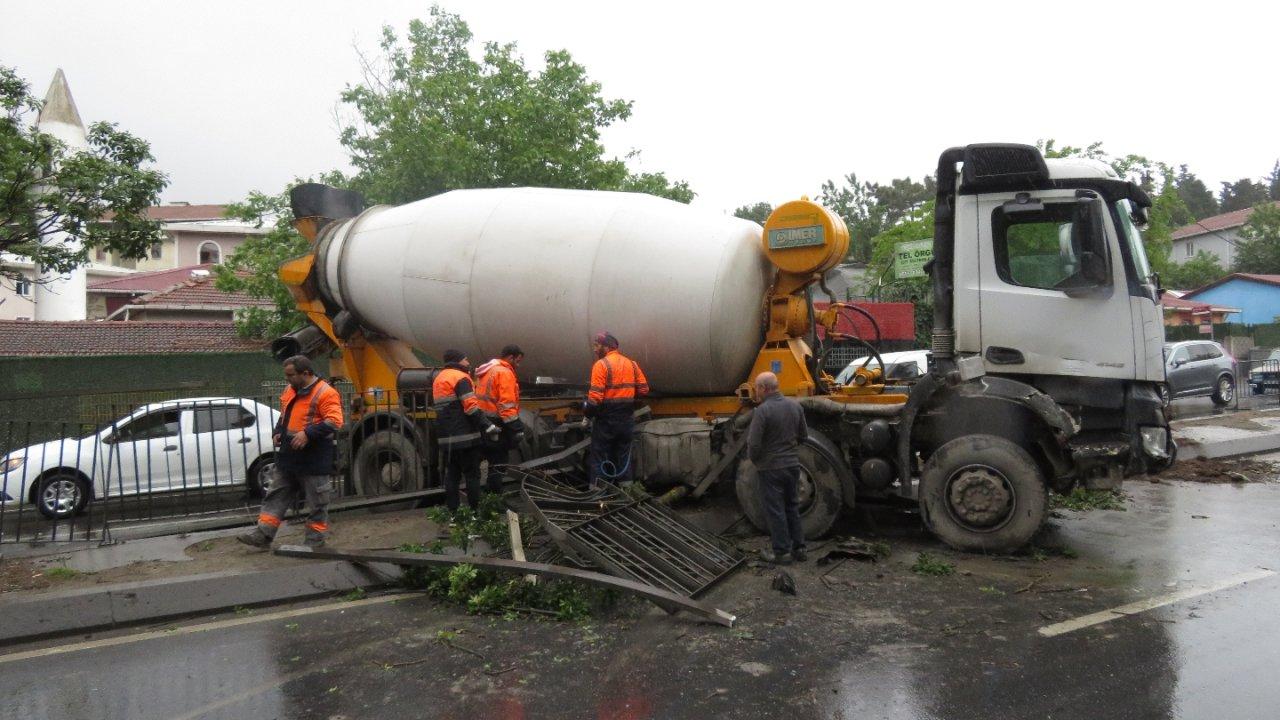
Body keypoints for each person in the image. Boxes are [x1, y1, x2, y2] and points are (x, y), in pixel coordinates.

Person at [239, 355, 344, 549]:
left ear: (305, 373)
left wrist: (308, 434)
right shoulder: (290, 389)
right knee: (275, 495)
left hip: (314, 458)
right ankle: (263, 535)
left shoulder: (326, 392)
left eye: (290, 375)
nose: (287, 379)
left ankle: (314, 542)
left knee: (317, 503)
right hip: (289, 457)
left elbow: (334, 421)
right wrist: (278, 432)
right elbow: (285, 416)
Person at [747, 371, 809, 564]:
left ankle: (782, 553)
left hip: (771, 468)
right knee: (792, 506)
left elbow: (754, 444)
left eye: (757, 387)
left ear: (764, 389)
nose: (756, 391)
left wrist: (757, 461)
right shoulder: (795, 406)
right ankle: (800, 549)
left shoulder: (762, 411)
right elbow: (803, 436)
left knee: (775, 510)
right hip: (792, 465)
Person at [433, 349, 501, 512]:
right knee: (472, 475)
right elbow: (471, 407)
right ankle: (474, 512)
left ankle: (453, 514)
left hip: (446, 438)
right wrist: (488, 425)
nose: (468, 362)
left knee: (452, 476)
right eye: (465, 359)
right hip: (465, 437)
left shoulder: (439, 378)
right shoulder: (461, 378)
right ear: (458, 361)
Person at [584, 331, 648, 488]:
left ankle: (597, 496)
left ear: (606, 347)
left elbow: (595, 399)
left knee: (599, 456)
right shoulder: (632, 364)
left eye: (597, 346)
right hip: (626, 419)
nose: (594, 349)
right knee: (623, 457)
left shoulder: (601, 365)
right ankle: (627, 493)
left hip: (606, 420)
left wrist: (587, 415)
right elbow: (644, 389)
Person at [475, 344, 527, 494]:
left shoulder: (488, 369)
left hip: (483, 422)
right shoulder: (504, 373)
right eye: (517, 360)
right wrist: (517, 428)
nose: (518, 364)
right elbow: (506, 405)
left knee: (482, 461)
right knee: (498, 464)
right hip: (497, 425)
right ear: (510, 357)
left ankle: (482, 497)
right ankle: (495, 498)